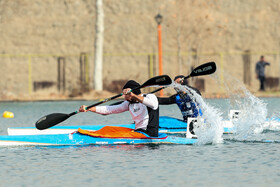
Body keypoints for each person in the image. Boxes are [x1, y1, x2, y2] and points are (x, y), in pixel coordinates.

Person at [79, 80, 159, 137]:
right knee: (108, 129)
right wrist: (89, 108)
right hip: (138, 132)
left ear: (132, 93)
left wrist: (133, 95)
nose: (124, 97)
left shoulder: (150, 96)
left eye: (126, 94)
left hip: (149, 134)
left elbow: (154, 105)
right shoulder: (128, 104)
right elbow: (109, 109)